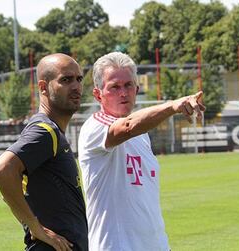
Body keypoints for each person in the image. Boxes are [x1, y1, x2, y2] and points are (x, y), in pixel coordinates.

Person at [78, 52, 205, 250]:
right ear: (98, 94)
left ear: (136, 89)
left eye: (128, 85)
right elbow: (127, 126)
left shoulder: (141, 135)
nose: (123, 93)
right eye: (114, 87)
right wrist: (172, 106)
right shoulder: (95, 127)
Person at [0, 53, 88, 251]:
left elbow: (13, 191)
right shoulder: (45, 131)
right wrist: (36, 228)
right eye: (66, 80)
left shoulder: (52, 132)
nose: (76, 86)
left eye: (79, 79)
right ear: (43, 87)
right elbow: (1, 170)